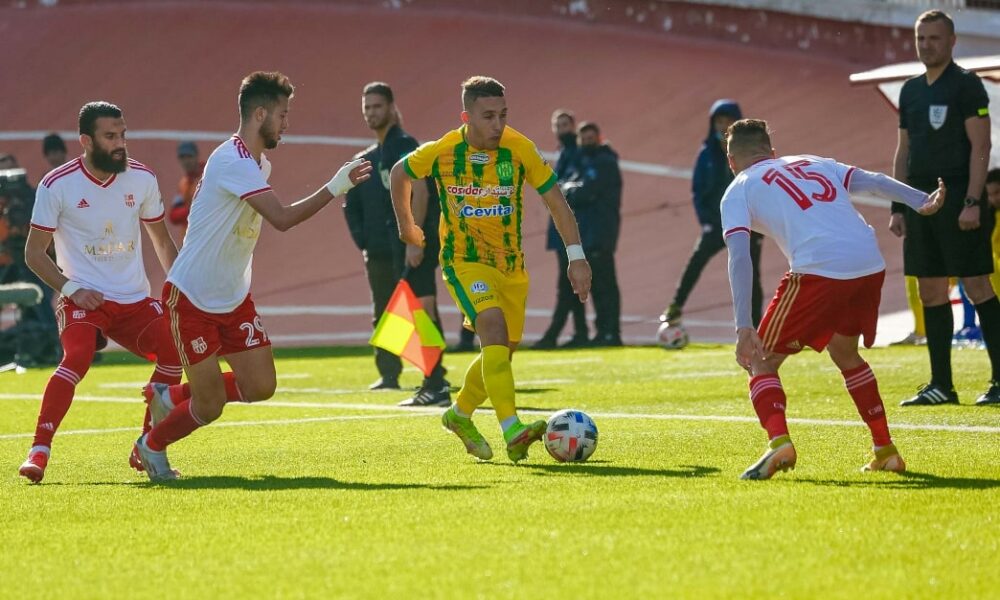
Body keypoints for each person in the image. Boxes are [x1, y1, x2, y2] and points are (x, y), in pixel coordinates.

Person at [133, 71, 371, 481]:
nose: (286, 124)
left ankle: (168, 397)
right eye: (282, 114)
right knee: (208, 406)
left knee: (261, 386)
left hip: (233, 295)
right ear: (259, 113)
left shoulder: (259, 162)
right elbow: (280, 219)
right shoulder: (233, 160)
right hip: (192, 297)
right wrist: (336, 185)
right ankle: (151, 446)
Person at [722, 118, 945, 480]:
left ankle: (779, 443)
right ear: (772, 152)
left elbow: (739, 256)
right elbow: (873, 181)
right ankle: (885, 450)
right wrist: (921, 200)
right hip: (868, 263)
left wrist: (743, 325)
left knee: (759, 359)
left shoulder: (738, 188)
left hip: (819, 268)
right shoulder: (813, 161)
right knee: (845, 352)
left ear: (731, 161)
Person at [390, 76, 592, 462]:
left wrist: (576, 256)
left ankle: (459, 414)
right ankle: (512, 429)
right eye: (488, 117)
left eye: (502, 115)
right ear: (467, 117)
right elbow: (401, 173)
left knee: (500, 355)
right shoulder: (444, 150)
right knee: (493, 332)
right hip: (464, 262)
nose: (498, 125)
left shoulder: (520, 149)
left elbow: (556, 202)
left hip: (512, 268)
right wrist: (407, 225)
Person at [18, 101, 183, 483]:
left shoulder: (141, 178)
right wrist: (72, 288)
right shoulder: (56, 184)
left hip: (135, 301)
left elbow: (161, 241)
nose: (120, 143)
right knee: (76, 357)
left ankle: (148, 445)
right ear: (86, 141)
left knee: (174, 349)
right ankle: (39, 450)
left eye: (123, 134)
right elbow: (32, 254)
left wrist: (179, 289)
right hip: (83, 299)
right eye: (111, 136)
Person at [890, 10, 996, 407]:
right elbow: (904, 150)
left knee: (977, 285)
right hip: (920, 202)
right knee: (930, 290)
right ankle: (941, 385)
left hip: (958, 199)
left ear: (952, 41)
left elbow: (981, 147)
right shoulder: (911, 90)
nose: (926, 45)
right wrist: (899, 205)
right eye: (921, 38)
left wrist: (971, 200)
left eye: (934, 38)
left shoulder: (967, 86)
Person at [663, 100, 764, 328]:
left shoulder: (751, 151)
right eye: (719, 120)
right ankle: (675, 307)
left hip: (747, 224)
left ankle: (757, 327)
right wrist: (706, 222)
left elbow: (761, 185)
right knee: (695, 262)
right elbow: (697, 190)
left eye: (728, 120)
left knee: (750, 276)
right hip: (716, 223)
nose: (723, 125)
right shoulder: (706, 152)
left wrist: (758, 221)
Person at [563, 122, 623, 346]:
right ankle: (603, 331)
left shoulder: (604, 162)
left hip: (601, 231)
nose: (587, 143)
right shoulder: (585, 161)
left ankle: (611, 332)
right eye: (583, 139)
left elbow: (586, 192)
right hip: (590, 231)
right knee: (598, 285)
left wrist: (569, 190)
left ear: (599, 138)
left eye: (590, 139)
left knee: (606, 284)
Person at [533, 109, 588, 349]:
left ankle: (554, 334)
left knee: (566, 283)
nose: (562, 129)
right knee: (569, 284)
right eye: (558, 125)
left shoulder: (576, 153)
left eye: (565, 124)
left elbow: (571, 186)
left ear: (573, 126)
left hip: (569, 228)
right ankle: (580, 332)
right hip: (560, 228)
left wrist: (558, 192)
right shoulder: (565, 153)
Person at [168, 140, 204, 238]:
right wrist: (191, 209)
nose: (186, 161)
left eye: (189, 156)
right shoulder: (183, 183)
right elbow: (173, 216)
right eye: (182, 158)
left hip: (208, 236)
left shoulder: (208, 177)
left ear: (196, 156)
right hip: (190, 238)